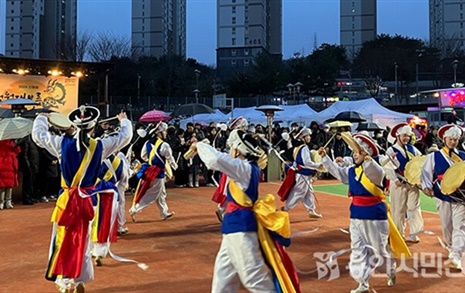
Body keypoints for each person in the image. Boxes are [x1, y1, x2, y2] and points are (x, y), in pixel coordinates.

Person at [32, 106, 132, 293]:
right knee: (83, 240)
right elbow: (124, 137)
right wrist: (123, 121)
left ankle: (64, 281)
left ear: (74, 125)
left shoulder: (60, 143)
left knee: (62, 239)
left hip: (67, 201)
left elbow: (38, 136)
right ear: (93, 127)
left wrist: (42, 118)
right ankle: (79, 280)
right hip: (88, 200)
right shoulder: (101, 146)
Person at [193, 130, 300, 292]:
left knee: (253, 278)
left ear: (237, 150)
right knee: (223, 280)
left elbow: (215, 159)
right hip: (234, 228)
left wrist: (200, 145)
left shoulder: (244, 168)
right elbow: (221, 159)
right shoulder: (247, 168)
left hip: (240, 228)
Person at [319, 134, 398, 293]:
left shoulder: (376, 170)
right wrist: (325, 158)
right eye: (353, 152)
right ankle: (363, 283)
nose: (354, 154)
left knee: (379, 253)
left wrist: (368, 159)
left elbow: (374, 171)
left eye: (357, 152)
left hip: (374, 215)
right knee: (358, 250)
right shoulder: (352, 170)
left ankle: (390, 271)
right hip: (356, 214)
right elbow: (338, 172)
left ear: (366, 153)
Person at [421, 124, 465, 271]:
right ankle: (452, 246)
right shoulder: (434, 156)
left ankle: (456, 254)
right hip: (442, 194)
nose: (453, 142)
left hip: (461, 197)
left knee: (460, 226)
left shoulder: (463, 156)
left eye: (456, 139)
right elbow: (426, 173)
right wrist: (426, 186)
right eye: (451, 139)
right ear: (444, 139)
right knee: (447, 225)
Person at [129, 122, 178, 222]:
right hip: (158, 172)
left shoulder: (147, 143)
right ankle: (135, 209)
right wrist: (175, 167)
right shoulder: (164, 145)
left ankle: (164, 212)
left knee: (161, 193)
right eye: (164, 131)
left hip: (150, 169)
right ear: (159, 133)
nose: (165, 133)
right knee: (153, 194)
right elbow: (170, 158)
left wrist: (152, 160)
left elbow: (143, 156)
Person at [385, 123, 424, 243]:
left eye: (408, 136)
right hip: (399, 183)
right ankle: (398, 235)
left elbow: (420, 161)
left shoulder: (412, 149)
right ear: (398, 136)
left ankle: (414, 233)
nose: (406, 138)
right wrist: (395, 179)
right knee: (399, 210)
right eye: (404, 136)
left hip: (412, 183)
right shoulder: (391, 150)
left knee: (415, 207)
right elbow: (388, 167)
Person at [280, 127, 323, 218]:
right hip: (303, 174)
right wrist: (318, 165)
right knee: (299, 192)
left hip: (302, 173)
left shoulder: (297, 147)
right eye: (308, 136)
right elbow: (306, 162)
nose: (309, 138)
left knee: (309, 192)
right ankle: (286, 208)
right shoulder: (304, 148)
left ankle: (311, 210)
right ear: (303, 137)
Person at [0, 139, 21, 209]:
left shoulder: (12, 142)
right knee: (2, 186)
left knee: (9, 185)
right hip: (3, 164)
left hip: (11, 164)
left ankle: (8, 201)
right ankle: (2, 202)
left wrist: (16, 144)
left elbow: (18, 151)